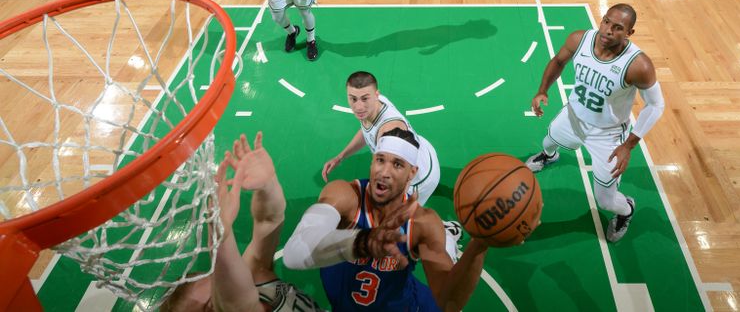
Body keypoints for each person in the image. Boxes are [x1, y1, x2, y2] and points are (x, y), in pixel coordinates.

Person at [285, 128, 515, 311]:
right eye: (380, 160)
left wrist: (480, 245)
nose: (384, 172)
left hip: (405, 304)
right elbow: (294, 253)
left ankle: (447, 239)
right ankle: (448, 237)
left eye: (397, 164)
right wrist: (365, 241)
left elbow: (450, 303)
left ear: (411, 173)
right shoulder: (344, 196)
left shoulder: (422, 223)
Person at [525, 4, 665, 242]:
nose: (608, 30)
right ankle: (549, 156)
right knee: (548, 140)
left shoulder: (638, 65)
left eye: (618, 28)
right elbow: (558, 61)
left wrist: (628, 145)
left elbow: (655, 105)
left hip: (607, 135)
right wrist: (542, 91)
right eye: (606, 22)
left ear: (629, 33)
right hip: (573, 116)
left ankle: (627, 209)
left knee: (606, 200)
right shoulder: (579, 39)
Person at [161, 132, 326, 311]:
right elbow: (235, 304)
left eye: (217, 283)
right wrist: (220, 239)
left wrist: (268, 185)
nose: (221, 292)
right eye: (211, 307)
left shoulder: (255, 276)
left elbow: (269, 221)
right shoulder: (238, 303)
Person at [322, 71, 441, 206]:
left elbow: (403, 173)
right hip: (423, 152)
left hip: (420, 180)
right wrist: (340, 156)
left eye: (364, 99)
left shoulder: (389, 132)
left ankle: (446, 227)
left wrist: (397, 205)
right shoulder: (374, 105)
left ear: (376, 95)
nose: (359, 106)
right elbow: (366, 131)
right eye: (353, 99)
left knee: (404, 220)